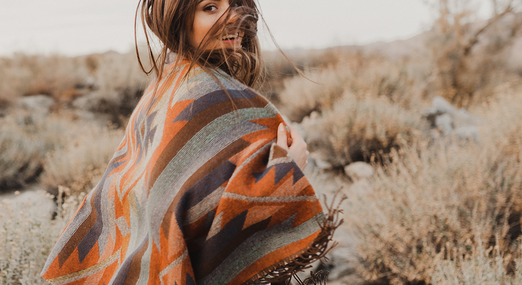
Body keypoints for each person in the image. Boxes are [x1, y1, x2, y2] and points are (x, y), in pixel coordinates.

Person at [41, 0, 340, 284]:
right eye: (210, 7)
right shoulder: (208, 97)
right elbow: (170, 202)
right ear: (179, 20)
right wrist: (290, 168)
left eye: (235, 4)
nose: (234, 17)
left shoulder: (167, 86)